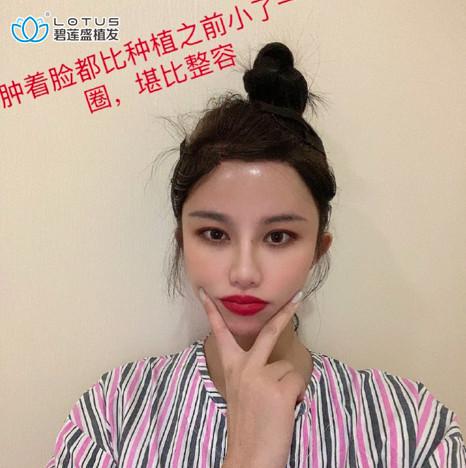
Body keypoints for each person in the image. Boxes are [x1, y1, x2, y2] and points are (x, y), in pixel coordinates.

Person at [46, 42, 465, 467]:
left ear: (318, 251)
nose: (244, 272)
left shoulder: (414, 427)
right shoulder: (112, 412)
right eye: (214, 234)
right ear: (182, 242)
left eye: (278, 237)